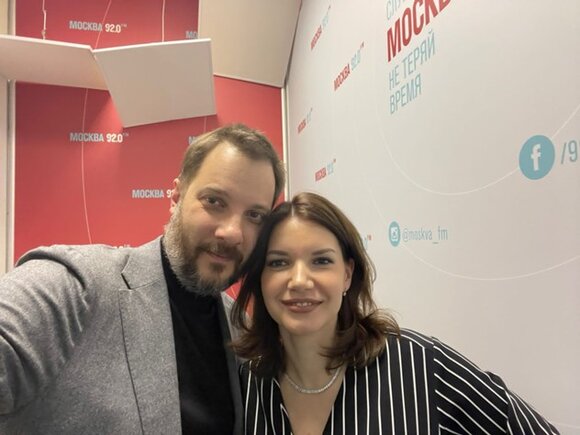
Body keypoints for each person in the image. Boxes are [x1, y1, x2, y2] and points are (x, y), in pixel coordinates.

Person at [0, 124, 285, 435]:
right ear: (176, 196)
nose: (232, 233)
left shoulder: (241, 330)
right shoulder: (74, 284)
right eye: (214, 201)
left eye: (254, 215)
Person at [231, 192, 559, 435]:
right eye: (279, 262)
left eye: (321, 261)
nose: (300, 280)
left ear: (347, 275)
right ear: (260, 279)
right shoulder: (247, 387)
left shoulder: (422, 366)